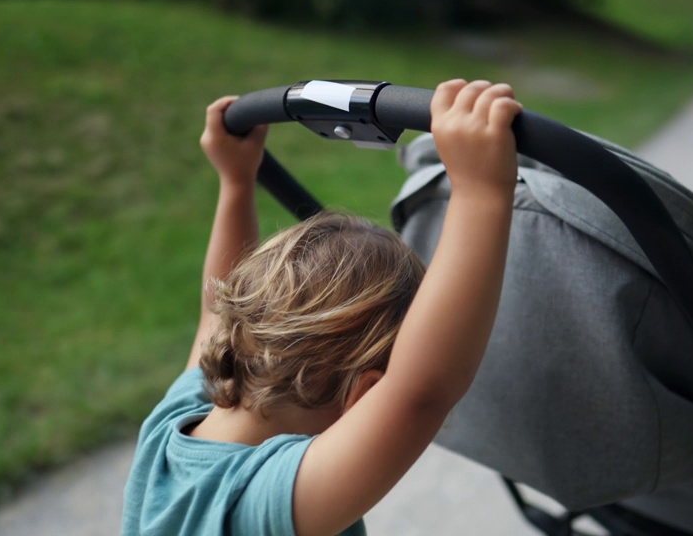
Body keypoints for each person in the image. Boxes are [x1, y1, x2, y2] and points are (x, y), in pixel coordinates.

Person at [121, 79, 523, 536]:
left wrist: (236, 180)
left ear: (239, 330)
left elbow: (215, 310)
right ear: (365, 394)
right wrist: (481, 191)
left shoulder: (170, 427)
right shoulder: (258, 503)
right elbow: (420, 394)